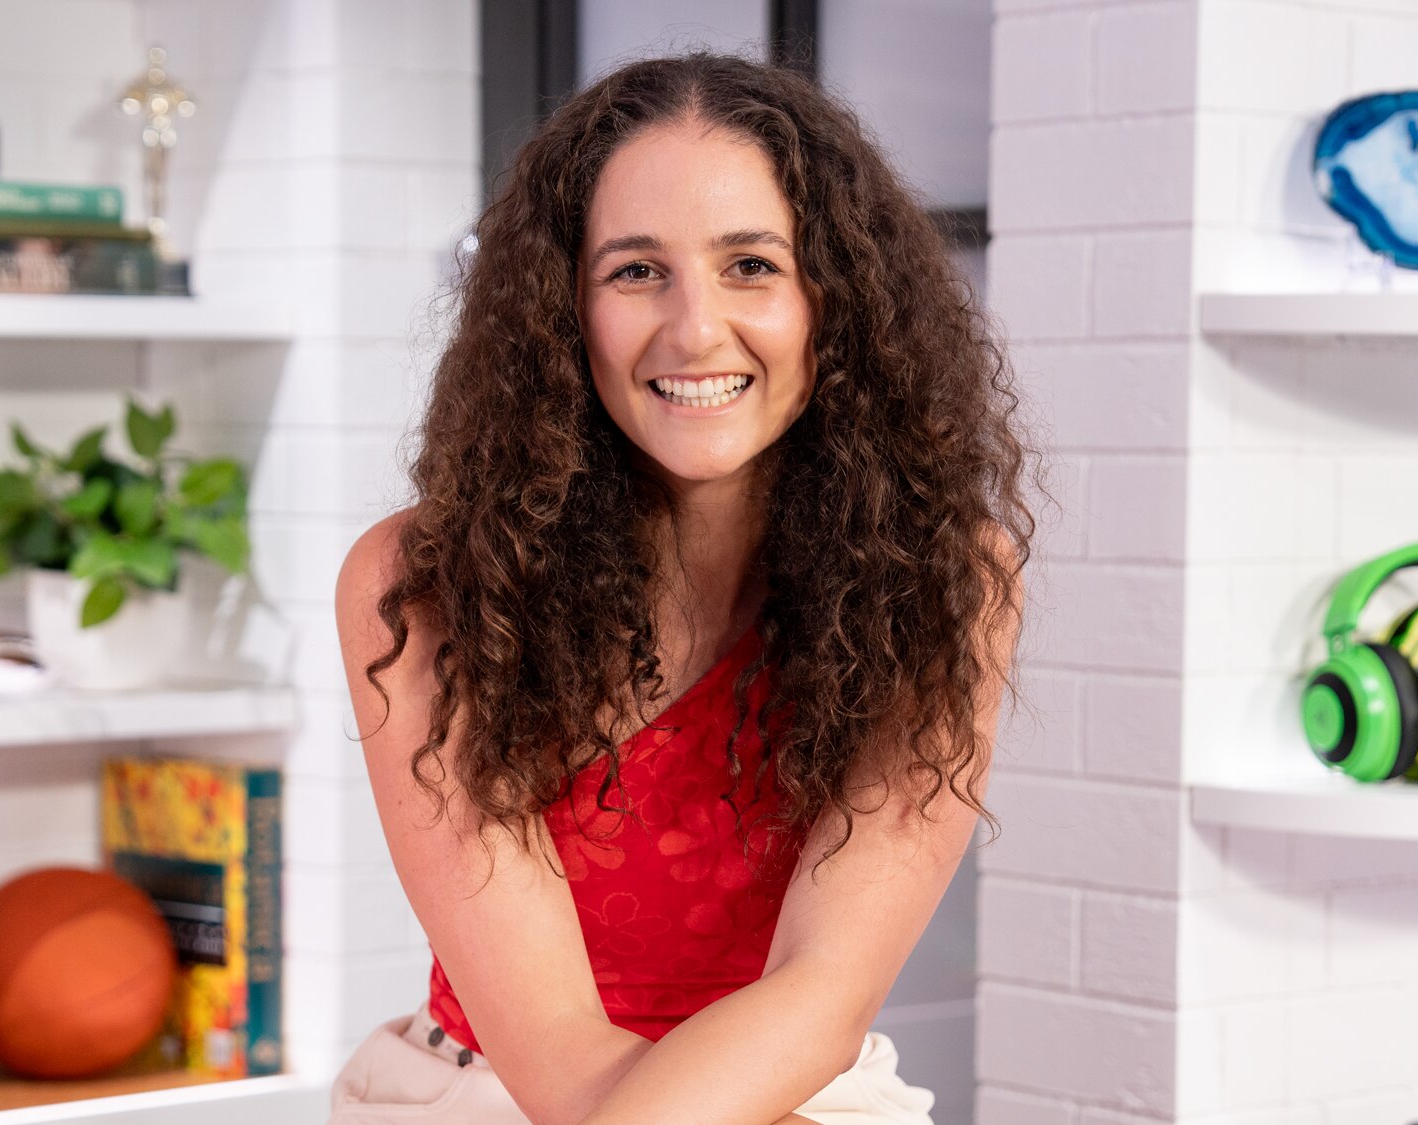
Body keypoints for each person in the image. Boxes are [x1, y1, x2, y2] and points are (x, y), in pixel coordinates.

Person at [329, 50, 1031, 1124]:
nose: (695, 329)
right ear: (563, 312)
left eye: (751, 264)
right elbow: (558, 1055)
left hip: (798, 1088)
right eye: (634, 270)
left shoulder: (944, 577)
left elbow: (821, 994)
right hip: (484, 1094)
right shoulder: (418, 588)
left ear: (832, 299)